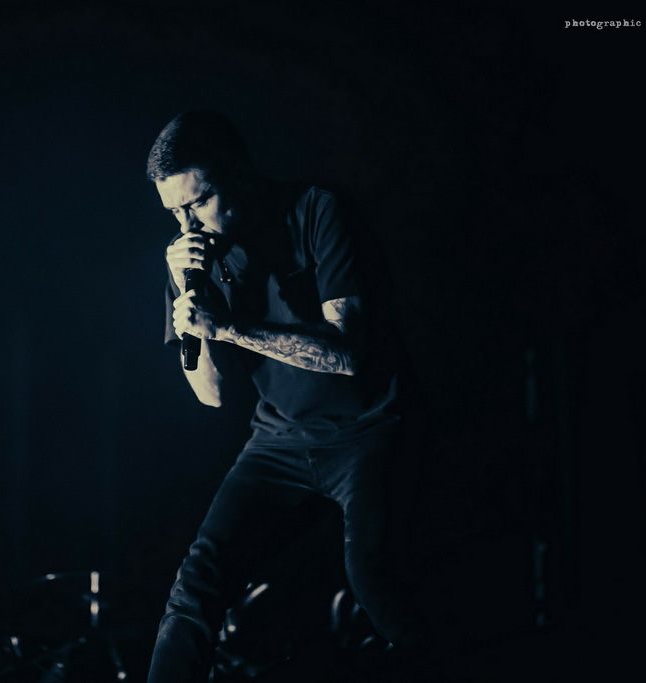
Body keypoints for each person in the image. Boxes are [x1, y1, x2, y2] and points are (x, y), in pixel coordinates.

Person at [145, 111, 429, 682]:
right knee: (197, 585)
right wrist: (194, 312)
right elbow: (211, 395)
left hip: (370, 429)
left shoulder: (318, 211)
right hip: (280, 439)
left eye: (198, 204)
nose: (187, 225)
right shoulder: (190, 260)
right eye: (173, 212)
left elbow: (347, 355)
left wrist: (229, 327)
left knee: (374, 576)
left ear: (239, 176)